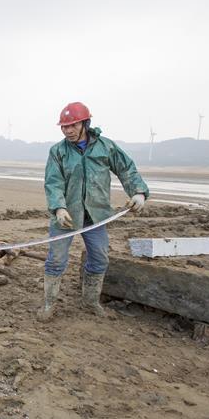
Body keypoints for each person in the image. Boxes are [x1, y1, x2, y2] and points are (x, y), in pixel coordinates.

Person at [37, 101, 149, 322]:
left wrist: (138, 192)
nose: (67, 130)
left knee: (99, 258)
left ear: (85, 123)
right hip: (66, 216)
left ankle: (90, 301)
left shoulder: (105, 147)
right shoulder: (58, 151)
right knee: (56, 260)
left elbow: (126, 169)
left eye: (72, 125)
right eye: (64, 126)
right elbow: (53, 182)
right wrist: (59, 207)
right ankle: (49, 303)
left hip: (96, 216)